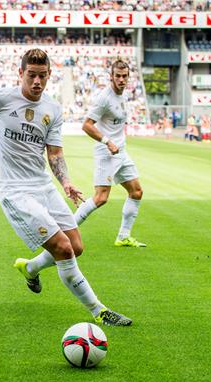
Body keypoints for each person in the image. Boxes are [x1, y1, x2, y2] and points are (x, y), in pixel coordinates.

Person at [0, 49, 132, 327]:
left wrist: (65, 181)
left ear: (50, 75)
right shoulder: (2, 98)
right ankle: (99, 311)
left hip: (44, 186)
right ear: (21, 73)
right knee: (63, 249)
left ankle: (30, 268)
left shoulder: (53, 109)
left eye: (42, 76)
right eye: (31, 75)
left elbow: (54, 152)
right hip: (16, 192)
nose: (37, 82)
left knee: (76, 246)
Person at [73, 60, 146, 247]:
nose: (121, 80)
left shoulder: (123, 96)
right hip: (106, 152)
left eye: (125, 76)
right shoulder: (104, 97)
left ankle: (123, 236)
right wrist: (107, 142)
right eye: (118, 76)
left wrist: (116, 144)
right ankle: (67, 231)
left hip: (121, 152)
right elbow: (86, 125)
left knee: (136, 192)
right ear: (111, 76)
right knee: (101, 198)